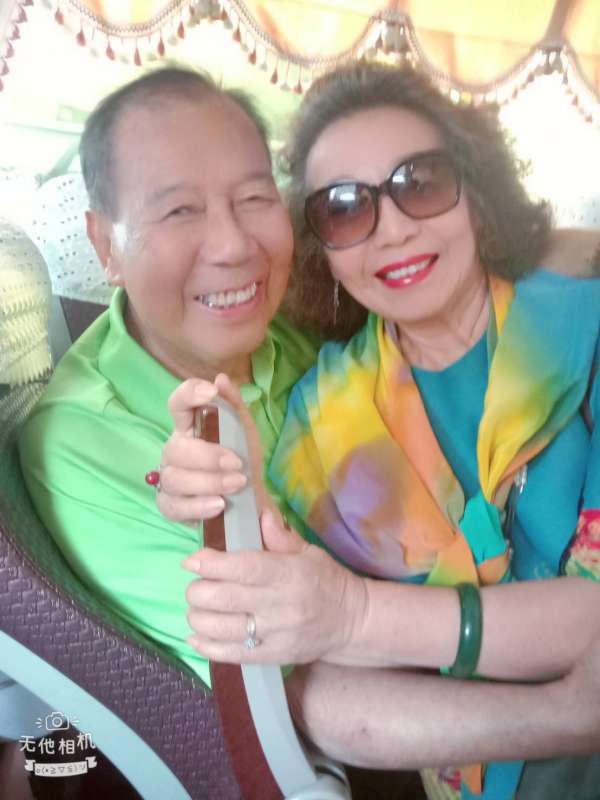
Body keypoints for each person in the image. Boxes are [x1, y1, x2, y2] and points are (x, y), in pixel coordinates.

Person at [158, 62, 600, 799]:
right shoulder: (321, 425)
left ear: (476, 191)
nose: (393, 230)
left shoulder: (583, 332)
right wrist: (229, 492)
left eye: (420, 183)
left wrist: (357, 616)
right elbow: (318, 672)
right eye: (344, 208)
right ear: (321, 249)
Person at [17, 66, 320, 689]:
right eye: (180, 210)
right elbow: (278, 682)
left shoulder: (298, 335)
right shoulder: (85, 440)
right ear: (106, 247)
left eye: (254, 199)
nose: (233, 245)